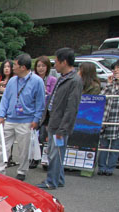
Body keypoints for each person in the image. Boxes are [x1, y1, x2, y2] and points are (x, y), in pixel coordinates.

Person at [36, 48, 83, 190]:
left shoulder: (74, 80)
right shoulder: (63, 77)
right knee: (56, 152)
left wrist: (63, 128)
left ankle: (51, 181)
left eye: (56, 61)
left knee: (55, 153)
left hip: (60, 125)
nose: (54, 64)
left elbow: (71, 107)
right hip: (53, 121)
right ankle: (59, 179)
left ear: (64, 62)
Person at [0, 54, 45, 181]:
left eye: (15, 65)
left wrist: (36, 119)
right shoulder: (12, 80)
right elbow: (5, 99)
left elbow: (40, 102)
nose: (13, 67)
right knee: (2, 145)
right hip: (10, 119)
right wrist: (1, 115)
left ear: (23, 67)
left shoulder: (37, 81)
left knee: (24, 148)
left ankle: (22, 170)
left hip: (26, 120)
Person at [98, 59, 119, 176]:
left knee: (116, 145)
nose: (116, 70)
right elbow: (101, 97)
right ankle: (101, 166)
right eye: (115, 68)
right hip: (106, 117)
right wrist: (109, 84)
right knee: (104, 144)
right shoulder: (110, 84)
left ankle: (110, 168)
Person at [33, 56, 58, 168]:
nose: (41, 68)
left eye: (43, 66)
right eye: (38, 66)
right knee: (32, 136)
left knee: (43, 136)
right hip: (33, 111)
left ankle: (44, 159)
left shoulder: (52, 80)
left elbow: (53, 95)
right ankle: (33, 158)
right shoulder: (32, 78)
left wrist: (44, 89)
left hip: (46, 112)